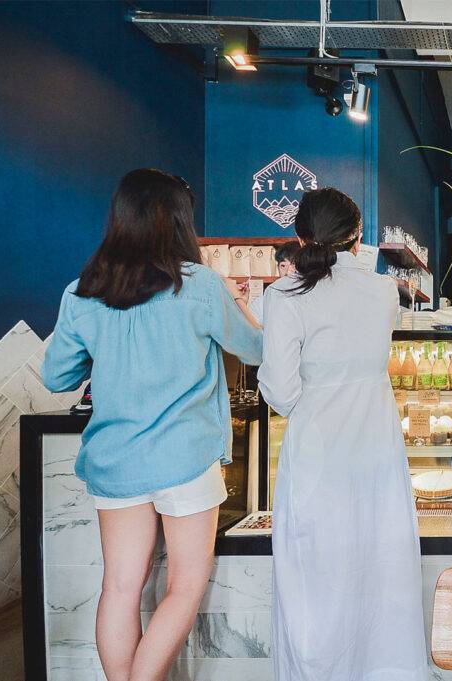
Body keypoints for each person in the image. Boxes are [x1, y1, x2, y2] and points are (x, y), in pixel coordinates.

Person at [41, 169, 263, 681]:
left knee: (120, 587)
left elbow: (56, 376)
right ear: (179, 222)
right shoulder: (200, 285)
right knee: (183, 586)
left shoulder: (84, 292)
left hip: (115, 460)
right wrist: (240, 304)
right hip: (186, 457)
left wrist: (102, 353)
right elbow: (256, 349)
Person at [258, 188, 428, 681]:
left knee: (315, 581)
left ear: (299, 237)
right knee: (379, 572)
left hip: (317, 453)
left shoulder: (284, 296)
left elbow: (280, 391)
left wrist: (311, 400)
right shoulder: (382, 291)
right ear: (358, 237)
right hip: (376, 447)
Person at [246, 240, 300, 325]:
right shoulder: (265, 299)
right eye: (283, 266)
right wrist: (241, 301)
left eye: (294, 265)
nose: (288, 272)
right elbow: (249, 328)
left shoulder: (313, 297)